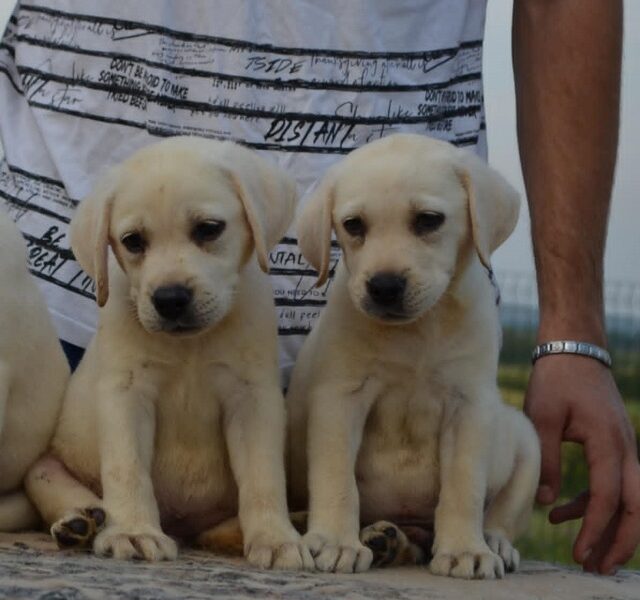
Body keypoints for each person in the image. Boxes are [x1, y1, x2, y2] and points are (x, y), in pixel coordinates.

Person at [0, 0, 636, 574]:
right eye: (134, 244)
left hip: (284, 441)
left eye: (208, 232)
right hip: (50, 335)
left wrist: (574, 331)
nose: (170, 274)